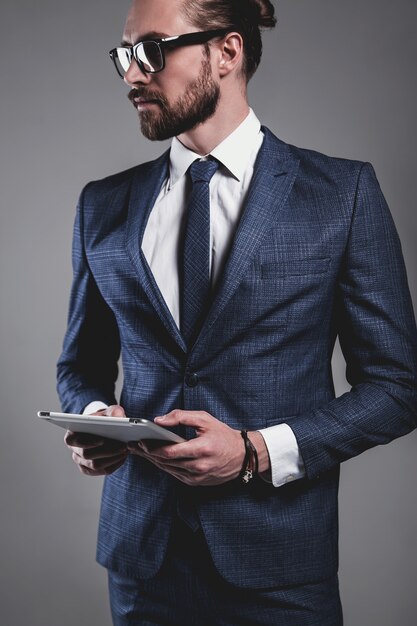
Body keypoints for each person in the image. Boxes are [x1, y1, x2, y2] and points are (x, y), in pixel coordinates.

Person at [57, 0, 417, 624]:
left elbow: (398, 387)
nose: (131, 74)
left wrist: (254, 451)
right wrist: (94, 420)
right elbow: (81, 364)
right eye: (124, 54)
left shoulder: (341, 195)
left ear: (227, 52)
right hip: (142, 562)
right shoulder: (103, 205)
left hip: (278, 567)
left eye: (151, 51)